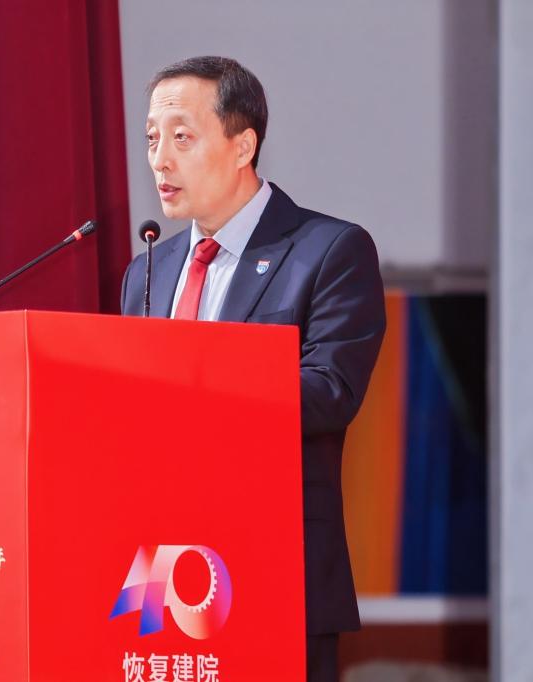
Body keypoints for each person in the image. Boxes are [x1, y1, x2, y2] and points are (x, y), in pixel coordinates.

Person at [121, 56, 387, 682]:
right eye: (152, 139)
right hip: (158, 573)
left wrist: (195, 390)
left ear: (243, 146)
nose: (160, 160)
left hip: (273, 566)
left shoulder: (329, 250)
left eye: (182, 137)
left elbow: (330, 390)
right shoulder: (147, 270)